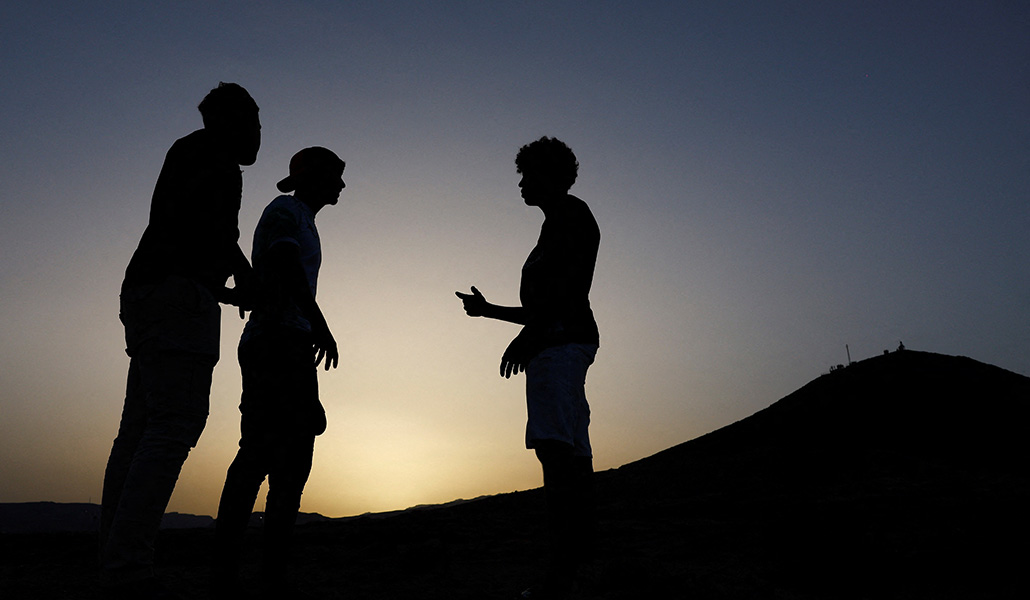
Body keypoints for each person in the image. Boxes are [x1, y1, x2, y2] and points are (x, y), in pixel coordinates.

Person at [99, 82, 260, 597]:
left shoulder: (187, 152)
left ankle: (117, 558)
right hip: (176, 295)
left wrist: (229, 284)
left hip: (150, 291)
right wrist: (243, 277)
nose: (259, 135)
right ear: (232, 122)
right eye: (255, 122)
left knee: (141, 428)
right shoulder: (217, 159)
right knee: (172, 427)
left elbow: (191, 228)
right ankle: (129, 567)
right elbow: (213, 230)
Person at [456, 136, 600, 599]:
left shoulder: (571, 218)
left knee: (558, 455)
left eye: (528, 174)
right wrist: (491, 312)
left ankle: (560, 580)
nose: (521, 183)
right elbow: (547, 302)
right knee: (571, 455)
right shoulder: (555, 223)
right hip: (558, 342)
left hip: (558, 346)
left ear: (552, 175)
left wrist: (529, 337)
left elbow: (564, 295)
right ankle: (574, 571)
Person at [212, 147, 343, 597]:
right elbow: (286, 268)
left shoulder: (303, 218)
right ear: (312, 177)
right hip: (276, 341)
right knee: (263, 454)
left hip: (287, 341)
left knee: (291, 457)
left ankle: (267, 573)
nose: (342, 186)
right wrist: (320, 326)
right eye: (335, 176)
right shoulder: (285, 210)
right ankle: (230, 571)